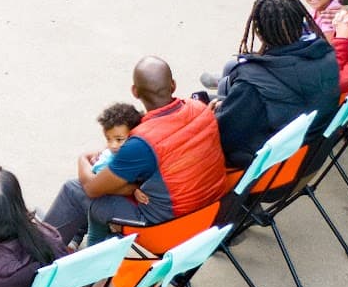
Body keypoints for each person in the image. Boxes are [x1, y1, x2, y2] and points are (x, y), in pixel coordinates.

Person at [42, 57, 227, 244]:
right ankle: (71, 235)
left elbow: (92, 188)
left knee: (73, 190)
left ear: (135, 92)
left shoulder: (143, 142)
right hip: (209, 214)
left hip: (165, 227)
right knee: (114, 180)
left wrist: (82, 158)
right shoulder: (200, 109)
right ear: (173, 85)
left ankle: (39, 254)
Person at [210, 0, 344, 171]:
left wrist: (212, 117)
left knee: (206, 110)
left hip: (268, 174)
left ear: (259, 31)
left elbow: (225, 139)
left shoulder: (252, 82)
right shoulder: (326, 55)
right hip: (306, 158)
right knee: (227, 95)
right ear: (300, 20)